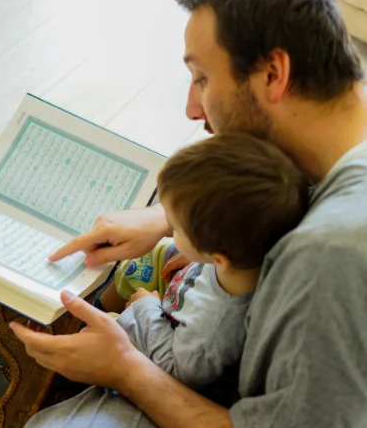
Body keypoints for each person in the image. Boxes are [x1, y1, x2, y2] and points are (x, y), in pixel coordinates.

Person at [10, 0, 367, 428]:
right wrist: (165, 219)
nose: (191, 107)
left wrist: (126, 370)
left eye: (201, 78)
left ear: (273, 74)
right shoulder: (340, 135)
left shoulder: (329, 255)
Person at [103, 133, 307, 391]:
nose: (169, 230)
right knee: (153, 253)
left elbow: (174, 368)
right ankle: (101, 302)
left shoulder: (211, 334)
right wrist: (194, 256)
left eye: (175, 227)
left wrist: (146, 307)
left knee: (102, 328)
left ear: (217, 256)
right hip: (179, 295)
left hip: (165, 344)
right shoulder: (243, 254)